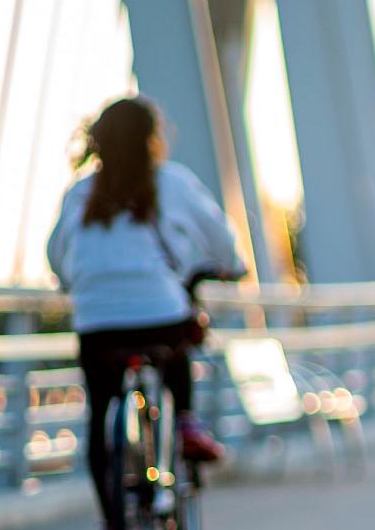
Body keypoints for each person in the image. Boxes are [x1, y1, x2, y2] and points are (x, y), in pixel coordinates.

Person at [46, 97, 244, 529]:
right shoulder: (172, 181)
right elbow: (219, 237)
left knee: (100, 413)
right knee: (176, 339)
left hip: (96, 320)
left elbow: (56, 254)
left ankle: (113, 519)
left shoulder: (80, 192)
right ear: (151, 139)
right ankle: (186, 423)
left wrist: (73, 282)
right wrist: (234, 267)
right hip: (159, 313)